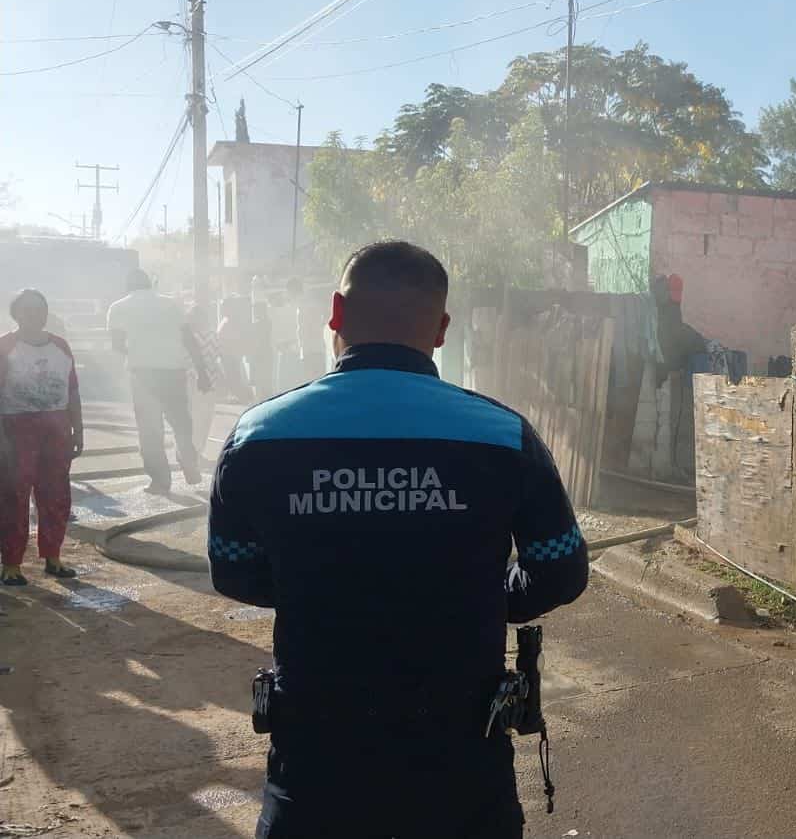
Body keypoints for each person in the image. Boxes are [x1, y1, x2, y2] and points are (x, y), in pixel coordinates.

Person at [208, 241, 588, 838]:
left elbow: (233, 570)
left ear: (335, 312)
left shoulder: (258, 436)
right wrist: (478, 599)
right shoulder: (503, 435)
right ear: (440, 329)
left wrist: (324, 591)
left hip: (315, 760)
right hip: (462, 758)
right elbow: (560, 570)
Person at [1, 290, 84, 585]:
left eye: (40, 308)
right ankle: (11, 564)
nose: (35, 314)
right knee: (14, 496)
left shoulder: (60, 346)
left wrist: (78, 428)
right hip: (16, 431)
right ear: (16, 313)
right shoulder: (5, 346)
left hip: (57, 429)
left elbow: (72, 390)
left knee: (56, 495)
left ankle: (53, 557)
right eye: (28, 309)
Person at [106, 270, 212, 494]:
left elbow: (116, 345)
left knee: (150, 430)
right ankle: (189, 462)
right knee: (181, 423)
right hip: (174, 373)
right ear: (150, 284)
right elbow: (189, 339)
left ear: (128, 286)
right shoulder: (171, 304)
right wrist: (202, 372)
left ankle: (160, 481)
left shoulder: (118, 307)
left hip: (143, 375)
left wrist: (137, 354)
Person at [186, 305, 226, 461]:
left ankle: (188, 451)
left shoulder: (186, 336)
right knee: (204, 419)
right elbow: (217, 357)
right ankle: (197, 451)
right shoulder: (212, 336)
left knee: (191, 418)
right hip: (209, 382)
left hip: (189, 381)